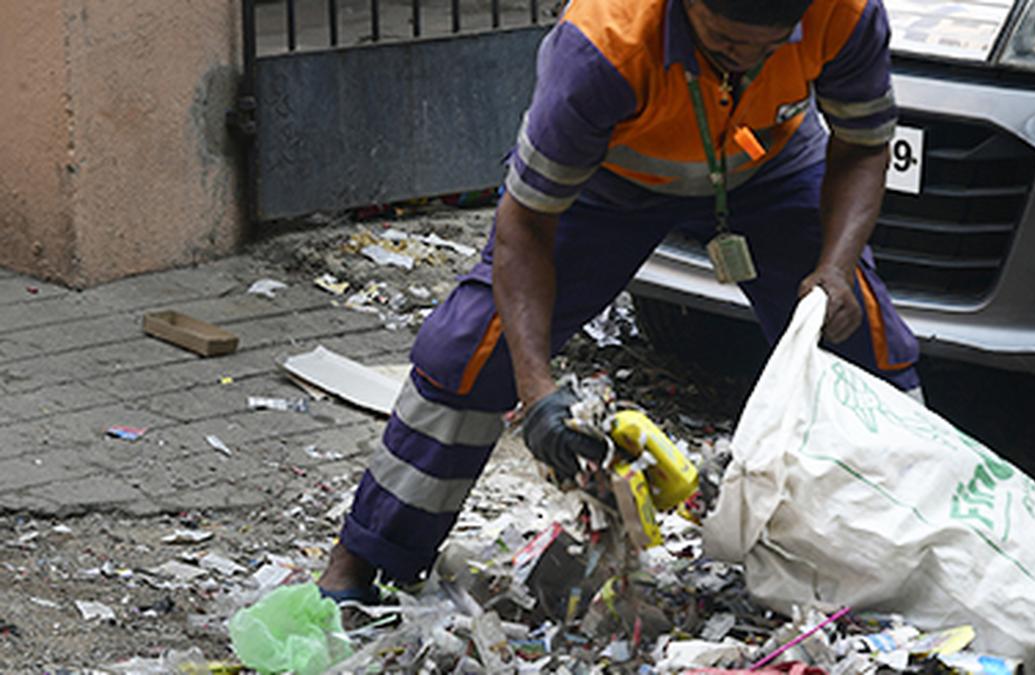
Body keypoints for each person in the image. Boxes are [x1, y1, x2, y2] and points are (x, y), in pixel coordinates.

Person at [317, 0, 921, 601]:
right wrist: (536, 395)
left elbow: (864, 144)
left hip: (769, 165)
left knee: (858, 332)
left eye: (769, 46)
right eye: (728, 42)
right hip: (609, 186)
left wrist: (835, 270)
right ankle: (364, 561)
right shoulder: (600, 48)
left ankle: (916, 559)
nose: (749, 61)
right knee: (474, 348)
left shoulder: (846, 12)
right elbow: (523, 227)